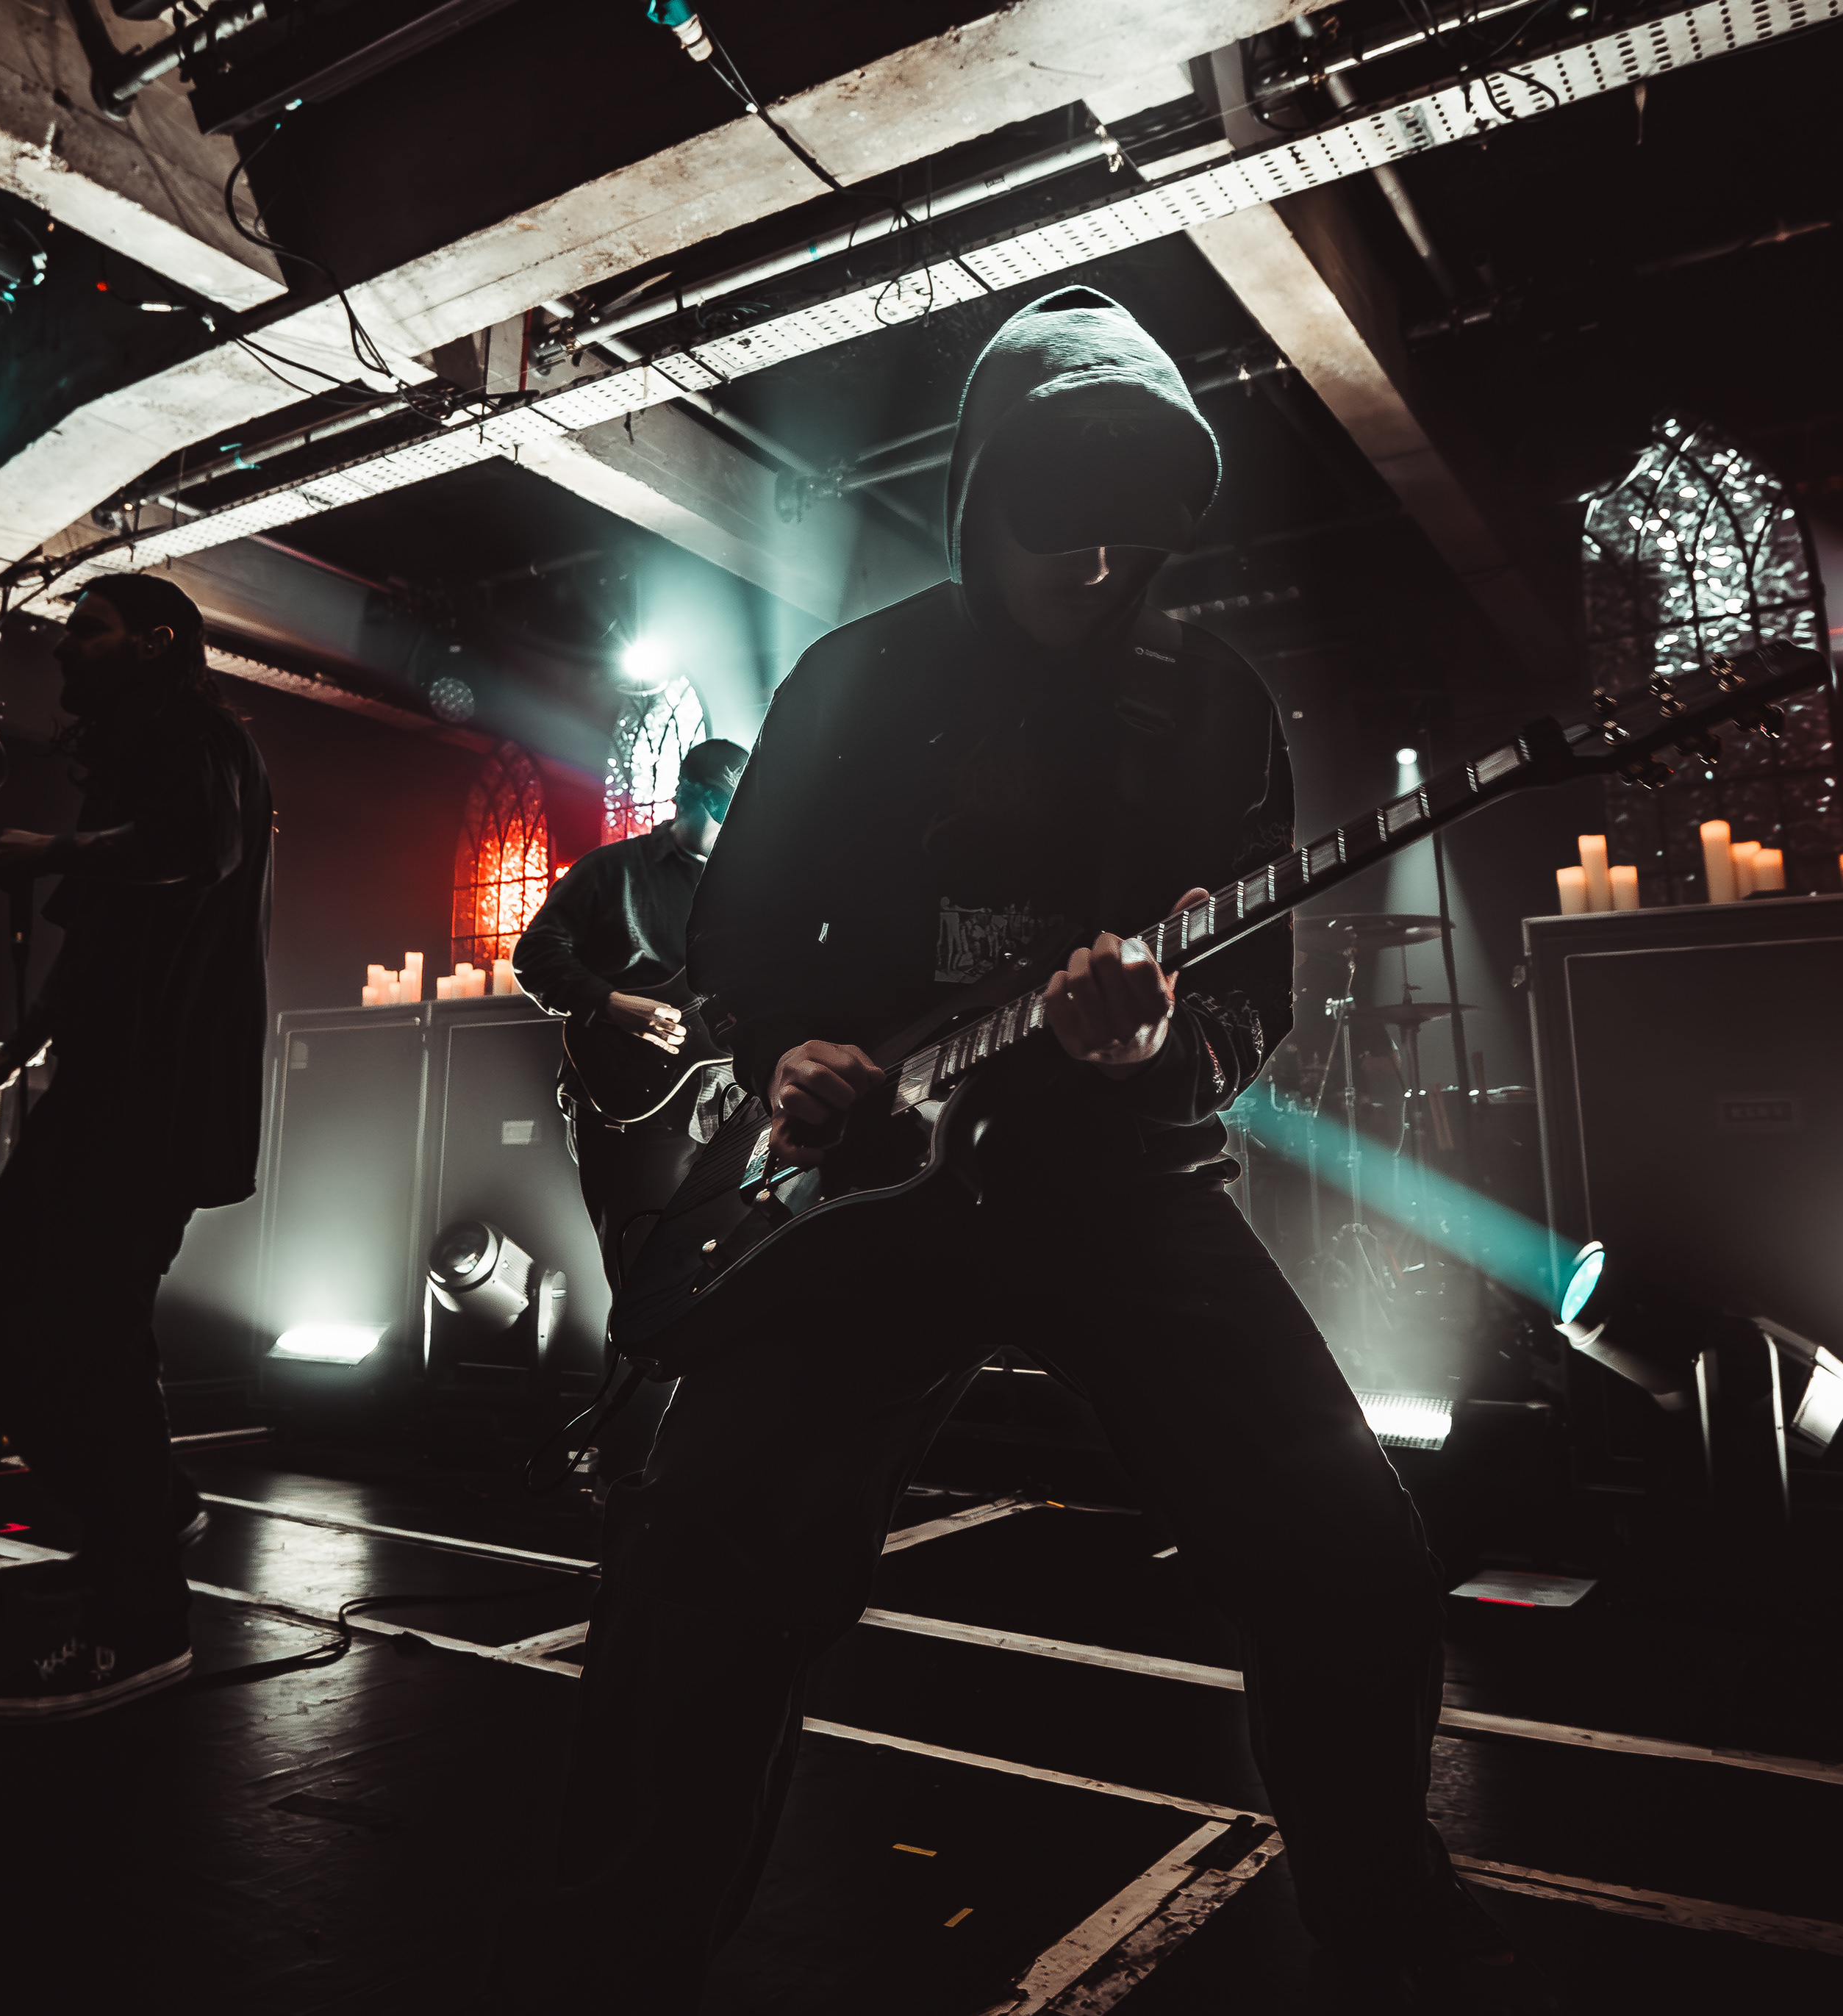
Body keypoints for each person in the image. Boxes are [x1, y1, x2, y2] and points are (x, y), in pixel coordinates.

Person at [529, 289, 1547, 2012]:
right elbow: (741, 934)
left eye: (1127, 525)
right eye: (1052, 512)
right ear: (972, 490)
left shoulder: (1208, 703)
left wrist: (1162, 1050)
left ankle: (1391, 1916)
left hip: (1115, 1184)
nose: (1089, 558)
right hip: (865, 1197)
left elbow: (1251, 996)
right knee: (697, 1556)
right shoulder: (854, 679)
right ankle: (619, 1958)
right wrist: (787, 1048)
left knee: (1350, 1549)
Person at [0, 573, 271, 1722]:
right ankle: (150, 1510)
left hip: (156, 1097)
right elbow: (94, 956)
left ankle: (139, 1618)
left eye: (92, 627)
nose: (67, 644)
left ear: (156, 640)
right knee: (6, 1308)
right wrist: (6, 1058)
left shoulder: (202, 740)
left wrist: (55, 847)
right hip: (104, 1088)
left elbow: (198, 846)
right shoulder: (139, 754)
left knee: (75, 1330)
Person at [512, 738, 748, 1492]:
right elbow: (533, 955)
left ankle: (698, 1477)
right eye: (726, 805)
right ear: (693, 796)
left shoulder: (748, 887)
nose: (736, 822)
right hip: (627, 1105)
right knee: (648, 1288)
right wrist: (614, 1004)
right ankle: (625, 1486)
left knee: (724, 1281)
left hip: (724, 1105)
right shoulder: (612, 872)